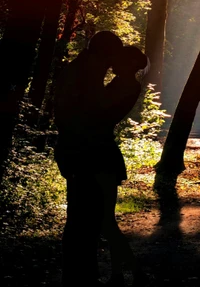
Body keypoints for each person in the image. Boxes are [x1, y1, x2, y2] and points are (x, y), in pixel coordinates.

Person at [53, 31, 124, 287]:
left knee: (82, 216)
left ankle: (79, 275)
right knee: (86, 218)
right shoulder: (88, 73)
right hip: (84, 153)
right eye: (113, 55)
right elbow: (92, 112)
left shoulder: (79, 69)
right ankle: (81, 277)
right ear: (105, 52)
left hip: (76, 152)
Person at [93, 45, 149, 287]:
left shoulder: (125, 85)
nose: (113, 60)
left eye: (119, 58)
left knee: (105, 220)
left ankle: (134, 271)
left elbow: (100, 107)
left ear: (128, 63)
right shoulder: (124, 83)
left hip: (103, 153)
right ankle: (119, 273)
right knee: (106, 220)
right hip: (105, 152)